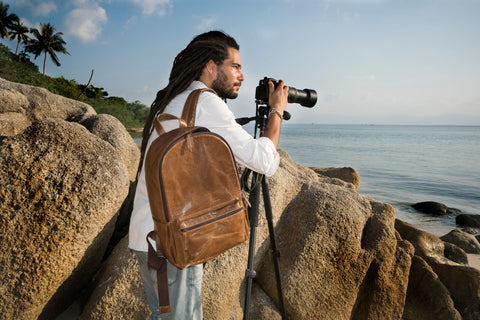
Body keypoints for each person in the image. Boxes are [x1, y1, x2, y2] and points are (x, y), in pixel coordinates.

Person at [128, 30, 289, 320]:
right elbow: (265, 160)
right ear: (210, 66)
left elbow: (186, 168)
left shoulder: (177, 97)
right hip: (174, 244)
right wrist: (276, 111)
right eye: (235, 66)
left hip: (152, 237)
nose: (241, 75)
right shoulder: (204, 101)